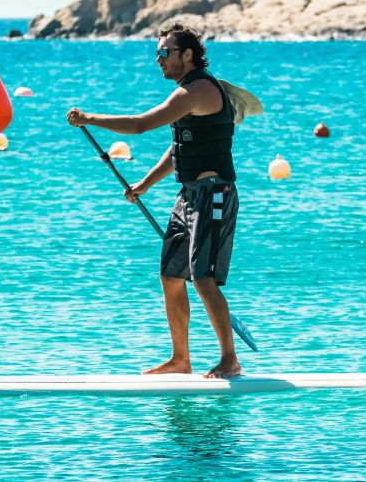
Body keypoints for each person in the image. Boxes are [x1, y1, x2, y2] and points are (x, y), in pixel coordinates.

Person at [66, 24, 241, 379]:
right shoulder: (187, 95)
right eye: (157, 53)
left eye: (165, 53)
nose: (158, 59)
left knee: (202, 278)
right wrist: (144, 184)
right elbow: (180, 149)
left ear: (187, 55)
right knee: (171, 275)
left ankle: (229, 360)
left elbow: (141, 125)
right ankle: (180, 360)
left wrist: (90, 119)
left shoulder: (197, 90)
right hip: (188, 195)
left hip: (214, 194)